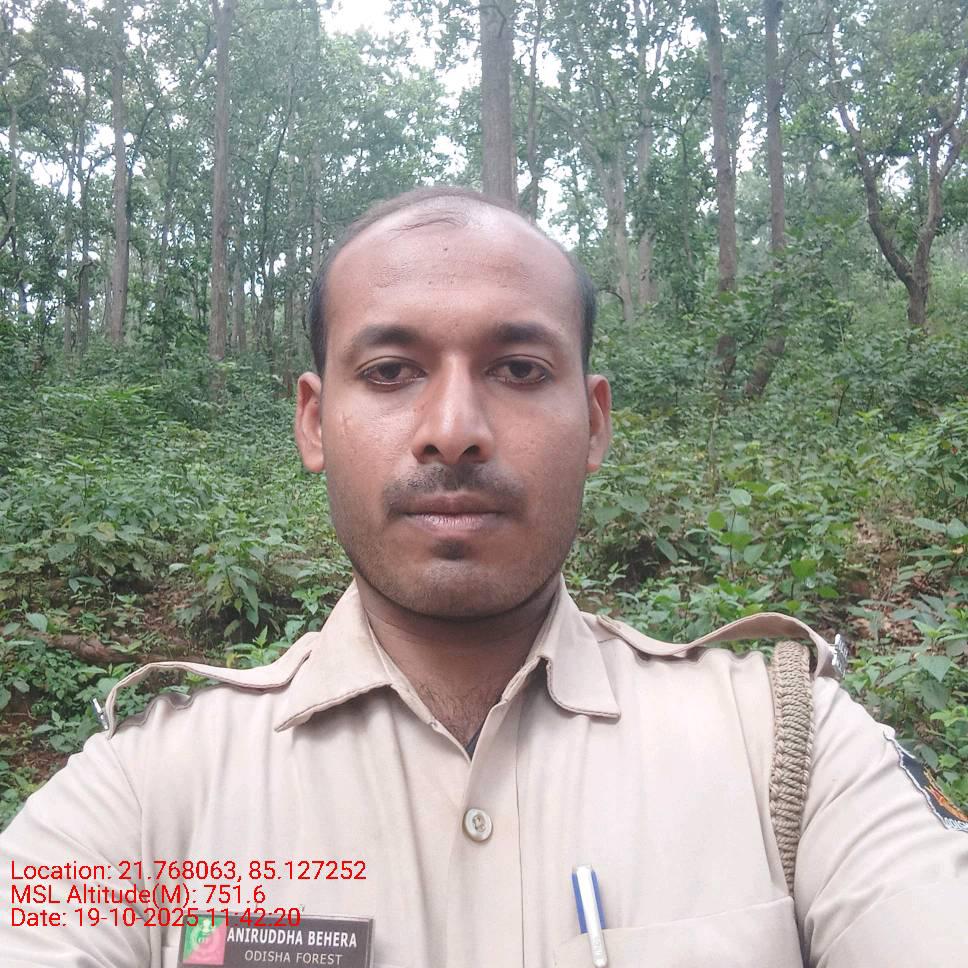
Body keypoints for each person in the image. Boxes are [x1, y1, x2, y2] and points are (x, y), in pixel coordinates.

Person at [1, 186, 966, 968]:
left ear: (594, 421)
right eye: (390, 371)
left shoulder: (788, 749)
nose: (453, 429)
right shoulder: (145, 794)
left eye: (518, 368)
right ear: (313, 421)